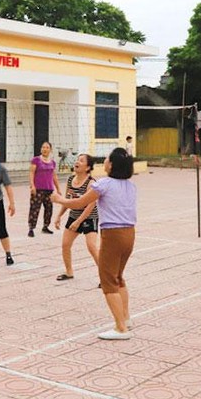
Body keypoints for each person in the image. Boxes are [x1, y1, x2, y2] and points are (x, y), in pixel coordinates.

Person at [52, 147, 136, 340]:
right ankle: (126, 318)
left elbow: (80, 203)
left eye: (107, 159)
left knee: (108, 282)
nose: (104, 161)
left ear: (112, 164)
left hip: (113, 235)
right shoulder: (131, 186)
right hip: (130, 234)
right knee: (118, 277)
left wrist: (58, 199)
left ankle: (120, 328)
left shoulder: (103, 184)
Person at [54, 153, 99, 281]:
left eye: (81, 161)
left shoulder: (91, 182)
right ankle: (69, 272)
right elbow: (68, 200)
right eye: (77, 160)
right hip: (74, 215)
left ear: (88, 167)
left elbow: (90, 205)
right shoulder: (70, 179)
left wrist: (79, 221)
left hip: (89, 217)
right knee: (65, 244)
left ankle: (105, 277)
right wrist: (59, 216)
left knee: (91, 246)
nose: (77, 162)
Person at [27, 141, 61, 237]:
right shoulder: (36, 160)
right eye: (43, 147)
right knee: (35, 208)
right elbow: (31, 173)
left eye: (47, 147)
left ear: (50, 150)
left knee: (49, 208)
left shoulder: (52, 162)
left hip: (49, 189)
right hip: (38, 189)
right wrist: (32, 185)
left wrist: (58, 189)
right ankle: (31, 228)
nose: (45, 149)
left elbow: (54, 176)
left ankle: (45, 226)